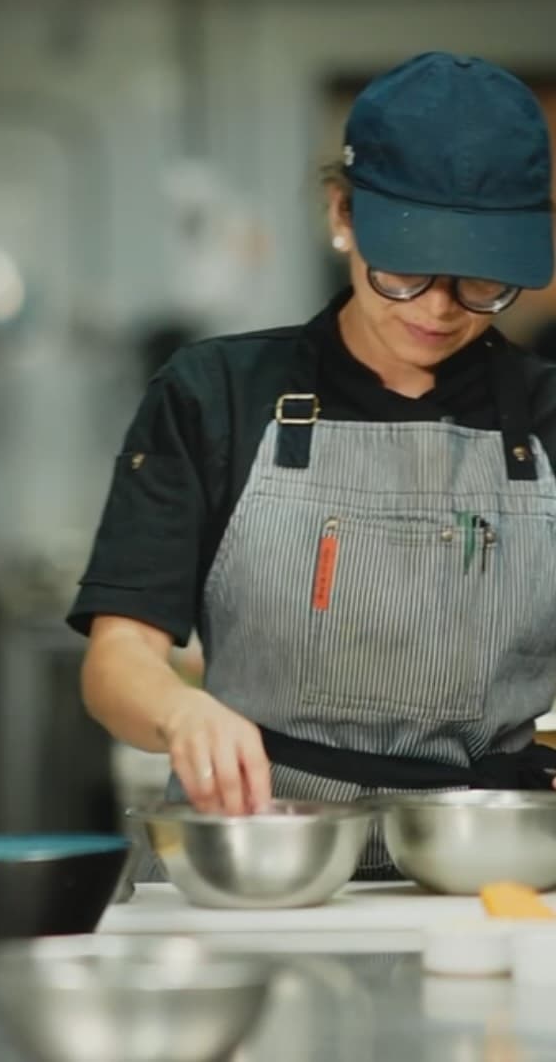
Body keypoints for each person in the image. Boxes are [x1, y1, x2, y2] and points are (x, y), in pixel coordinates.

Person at [67, 51, 556, 878]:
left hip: (483, 869)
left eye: (480, 281)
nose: (439, 309)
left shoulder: (545, 415)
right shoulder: (216, 395)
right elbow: (118, 657)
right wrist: (182, 714)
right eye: (406, 267)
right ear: (342, 215)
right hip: (256, 855)